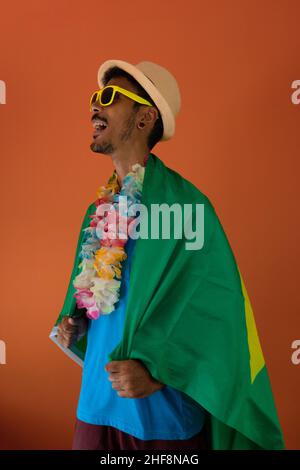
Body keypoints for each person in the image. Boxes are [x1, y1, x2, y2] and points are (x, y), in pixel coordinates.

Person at [50, 60, 284, 451]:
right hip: (96, 404)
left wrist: (158, 374)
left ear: (144, 118)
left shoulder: (190, 208)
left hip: (160, 414)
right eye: (95, 97)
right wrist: (75, 322)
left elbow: (215, 315)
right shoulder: (99, 210)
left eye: (108, 98)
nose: (94, 107)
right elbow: (98, 297)